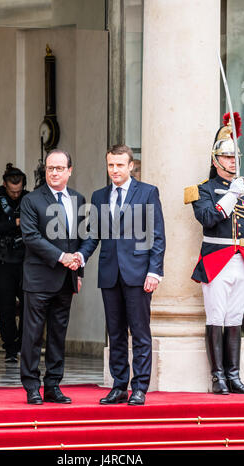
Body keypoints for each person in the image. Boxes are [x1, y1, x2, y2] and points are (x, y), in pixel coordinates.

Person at [75, 144, 166, 405]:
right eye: (110, 165)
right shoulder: (100, 196)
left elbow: (157, 235)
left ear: (131, 166)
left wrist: (155, 271)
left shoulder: (147, 192)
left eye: (119, 165)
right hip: (110, 273)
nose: (114, 170)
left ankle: (139, 387)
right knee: (115, 333)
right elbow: (93, 234)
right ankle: (118, 386)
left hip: (138, 273)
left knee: (139, 332)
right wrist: (81, 257)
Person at [185, 112, 244, 394]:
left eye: (235, 157)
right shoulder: (202, 190)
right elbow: (208, 218)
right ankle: (218, 377)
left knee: (235, 318)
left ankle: (234, 375)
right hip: (217, 260)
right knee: (216, 317)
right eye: (227, 157)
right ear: (216, 159)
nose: (232, 162)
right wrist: (232, 195)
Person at [20, 149, 86, 405]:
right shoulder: (31, 200)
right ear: (45, 171)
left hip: (66, 280)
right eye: (50, 168)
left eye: (60, 168)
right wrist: (62, 257)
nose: (55, 172)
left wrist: (78, 269)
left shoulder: (79, 200)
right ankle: (32, 386)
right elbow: (31, 237)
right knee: (33, 334)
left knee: (58, 334)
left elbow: (80, 238)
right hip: (38, 279)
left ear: (70, 170)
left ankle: (53, 385)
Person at [0, 163, 28, 363]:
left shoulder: (28, 198)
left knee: (30, 304)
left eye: (18, 191)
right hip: (3, 259)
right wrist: (16, 223)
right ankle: (10, 348)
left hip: (26, 259)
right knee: (6, 306)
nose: (15, 195)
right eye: (12, 191)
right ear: (4, 184)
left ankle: (22, 345)